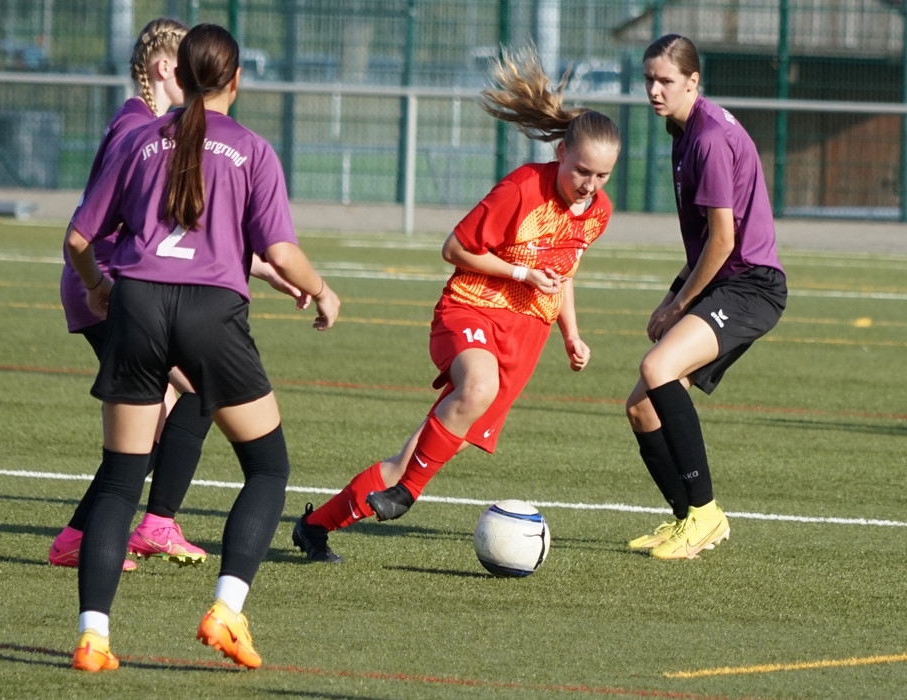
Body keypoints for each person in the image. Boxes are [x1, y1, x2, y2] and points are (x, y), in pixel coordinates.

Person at [64, 23, 340, 671]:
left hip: (137, 304)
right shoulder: (251, 149)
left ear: (180, 78)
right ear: (236, 80)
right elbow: (281, 253)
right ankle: (226, 610)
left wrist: (99, 288)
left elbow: (78, 239)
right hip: (211, 313)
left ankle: (93, 639)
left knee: (119, 481)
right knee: (267, 468)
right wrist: (323, 291)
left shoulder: (139, 141)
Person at [291, 46, 619, 563]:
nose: (590, 185)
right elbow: (455, 249)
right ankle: (409, 494)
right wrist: (521, 272)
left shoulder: (598, 211)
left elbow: (564, 272)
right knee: (477, 387)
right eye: (582, 171)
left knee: (410, 456)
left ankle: (315, 526)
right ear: (560, 152)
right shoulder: (522, 189)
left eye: (602, 176)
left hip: (525, 339)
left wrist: (571, 334)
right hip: (471, 310)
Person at [625, 34, 786, 560]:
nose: (654, 90)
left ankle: (707, 515)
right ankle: (686, 520)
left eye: (665, 81)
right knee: (641, 409)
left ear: (692, 81)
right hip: (725, 282)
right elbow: (703, 247)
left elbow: (722, 242)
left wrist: (677, 308)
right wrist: (673, 295)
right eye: (649, 79)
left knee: (658, 368)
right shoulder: (685, 130)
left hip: (750, 286)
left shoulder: (709, 137)